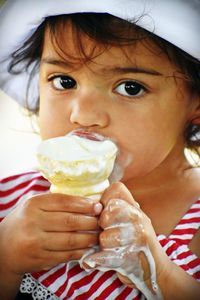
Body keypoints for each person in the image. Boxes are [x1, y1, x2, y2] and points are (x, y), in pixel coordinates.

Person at [0, 0, 200, 299]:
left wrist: (161, 273)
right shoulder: (13, 202)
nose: (83, 115)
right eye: (64, 81)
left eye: (130, 87)